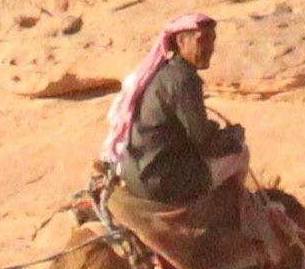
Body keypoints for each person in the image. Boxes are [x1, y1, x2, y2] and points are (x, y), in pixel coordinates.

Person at [98, 11, 249, 213]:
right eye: (202, 40)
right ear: (181, 42)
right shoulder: (184, 79)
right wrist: (233, 138)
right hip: (160, 180)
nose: (209, 48)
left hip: (135, 173)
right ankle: (234, 216)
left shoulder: (161, 73)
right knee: (240, 153)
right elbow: (202, 141)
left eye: (212, 40)